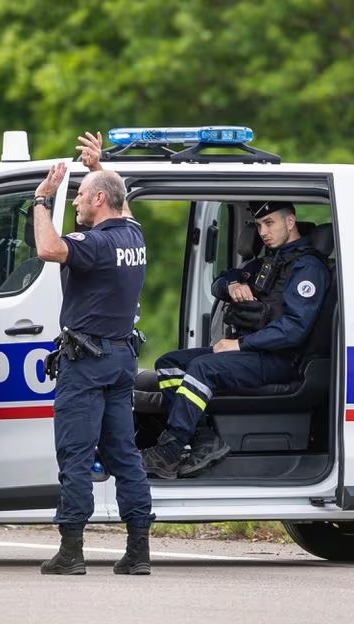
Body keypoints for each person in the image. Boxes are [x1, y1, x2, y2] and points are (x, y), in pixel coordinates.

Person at [141, 201, 330, 479]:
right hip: (253, 355)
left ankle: (171, 449)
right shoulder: (268, 262)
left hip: (282, 360)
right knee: (169, 363)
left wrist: (240, 345)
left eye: (270, 223)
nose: (262, 231)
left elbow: (294, 329)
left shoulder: (308, 268)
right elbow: (219, 282)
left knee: (203, 368)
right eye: (258, 225)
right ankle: (205, 438)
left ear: (290, 222)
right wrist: (233, 285)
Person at [32, 159, 154, 576]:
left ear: (100, 200)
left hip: (85, 364)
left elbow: (48, 248)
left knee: (76, 456)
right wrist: (100, 168)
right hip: (120, 360)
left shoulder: (95, 242)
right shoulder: (132, 235)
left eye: (82, 194)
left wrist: (41, 199)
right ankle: (139, 551)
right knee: (124, 455)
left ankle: (71, 551)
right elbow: (124, 207)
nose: (78, 201)